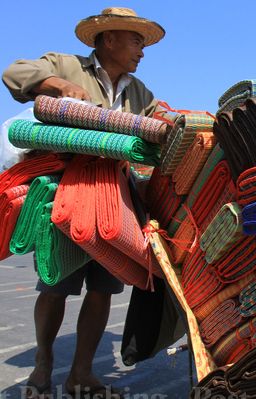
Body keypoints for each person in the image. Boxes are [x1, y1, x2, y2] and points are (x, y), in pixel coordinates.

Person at [2, 7, 165, 399]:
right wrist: (57, 85)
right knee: (57, 281)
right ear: (109, 38)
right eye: (136, 41)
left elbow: (154, 125)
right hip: (68, 187)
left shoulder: (139, 92)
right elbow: (14, 73)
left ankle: (81, 373)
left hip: (114, 194)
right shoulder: (66, 65)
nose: (141, 52)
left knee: (105, 287)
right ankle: (43, 365)